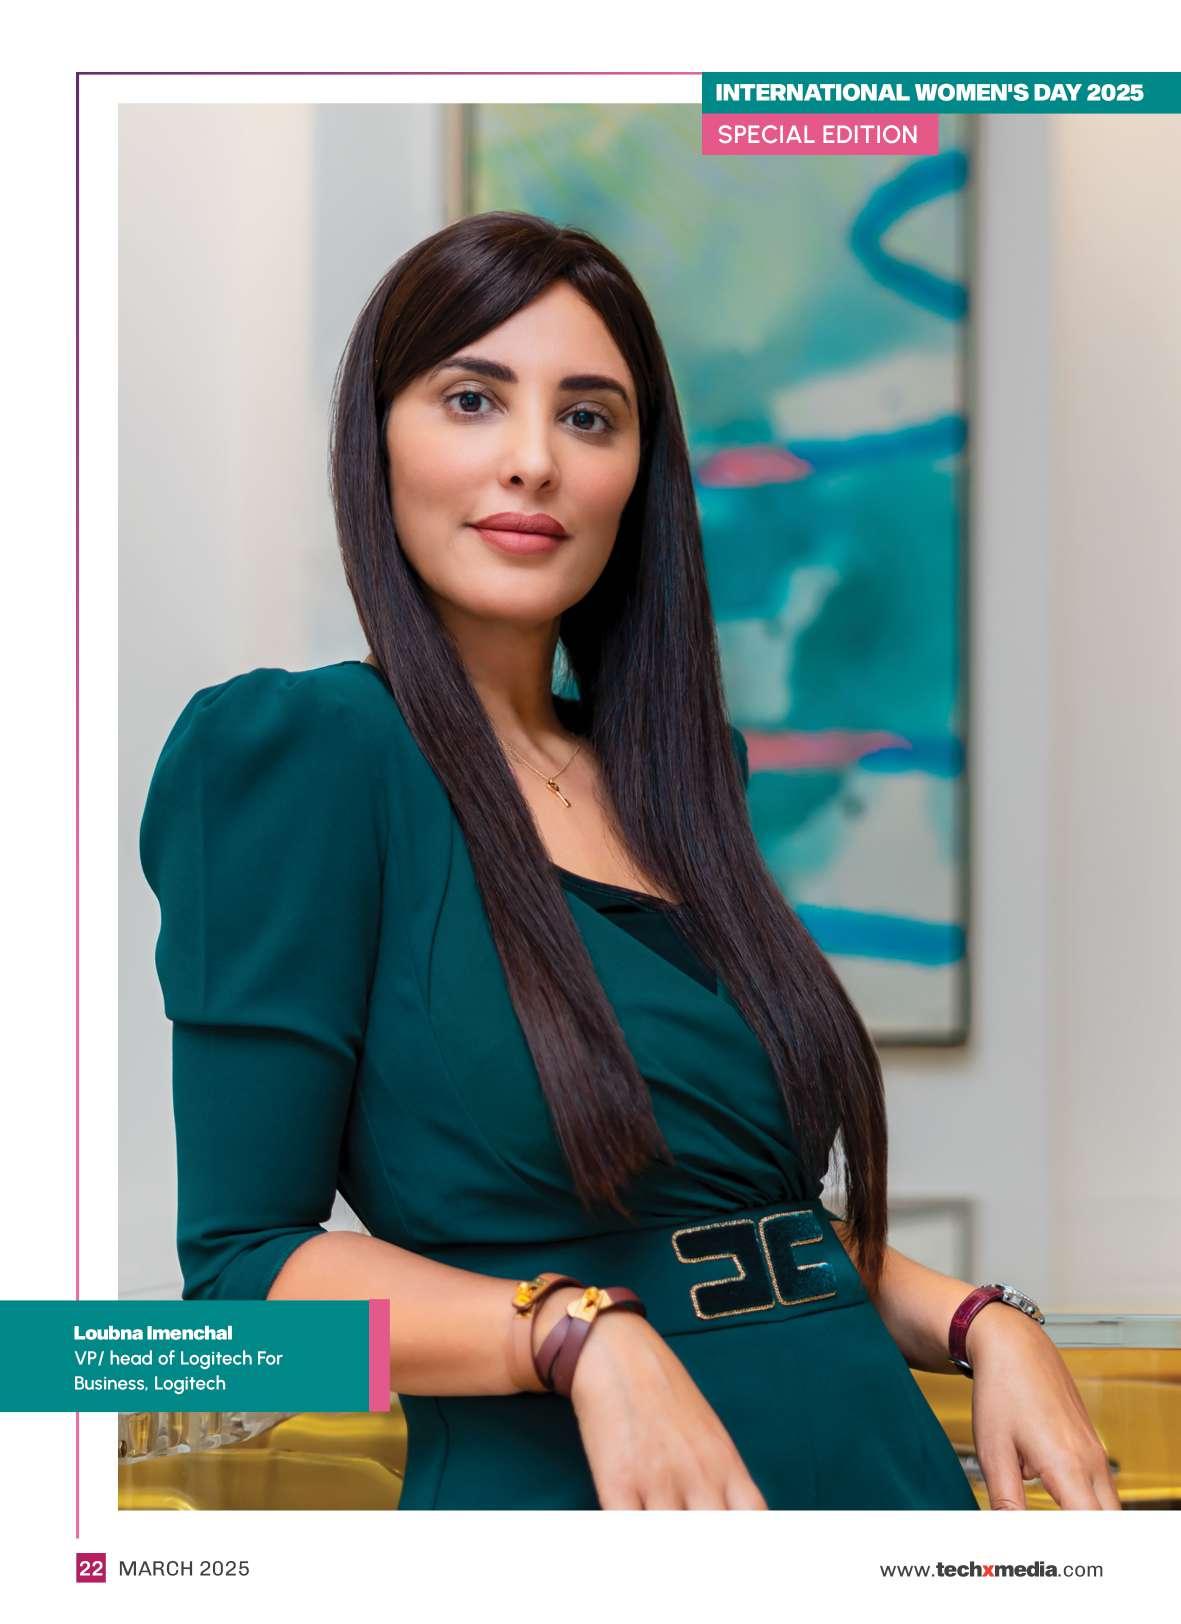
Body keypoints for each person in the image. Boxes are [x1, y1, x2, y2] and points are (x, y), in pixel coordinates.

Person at [139, 210, 1119, 1512]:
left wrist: (981, 1321)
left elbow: (731, 1222)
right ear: (377, 440)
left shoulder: (681, 776)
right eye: (473, 399)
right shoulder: (299, 754)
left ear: (638, 473)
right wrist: (569, 1332)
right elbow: (242, 1287)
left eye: (589, 417)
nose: (533, 460)